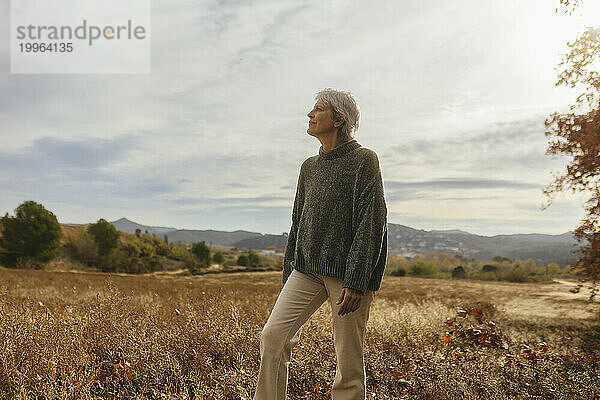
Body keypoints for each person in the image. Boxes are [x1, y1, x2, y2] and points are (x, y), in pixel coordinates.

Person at [253, 88, 388, 400]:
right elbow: (298, 220)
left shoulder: (364, 160)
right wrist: (289, 271)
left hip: (347, 277)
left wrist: (357, 280)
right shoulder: (308, 167)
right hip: (306, 270)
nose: (310, 115)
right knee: (273, 337)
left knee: (348, 359)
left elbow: (373, 221)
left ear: (338, 119)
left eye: (318, 110)